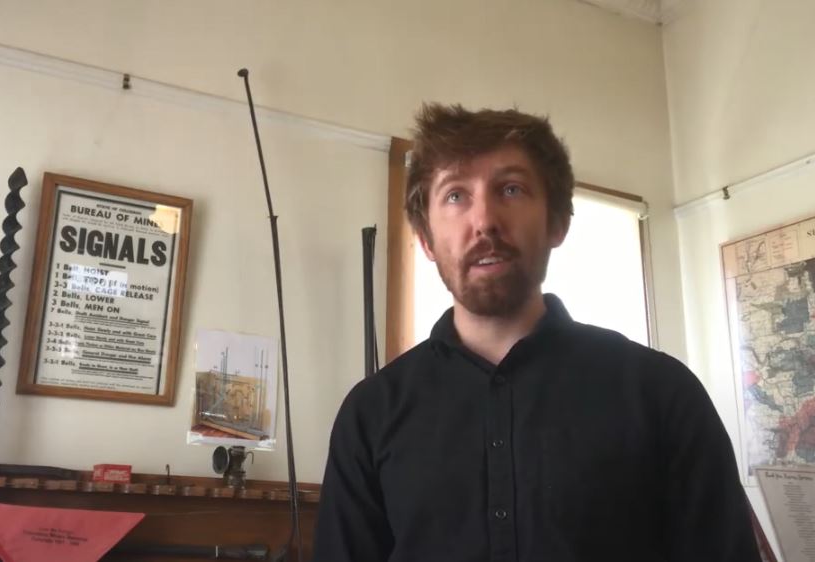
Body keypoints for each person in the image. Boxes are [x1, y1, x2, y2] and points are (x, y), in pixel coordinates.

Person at [312, 103, 761, 562]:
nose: (484, 220)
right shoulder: (369, 416)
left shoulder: (662, 394)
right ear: (426, 240)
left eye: (510, 188)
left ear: (558, 222)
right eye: (454, 196)